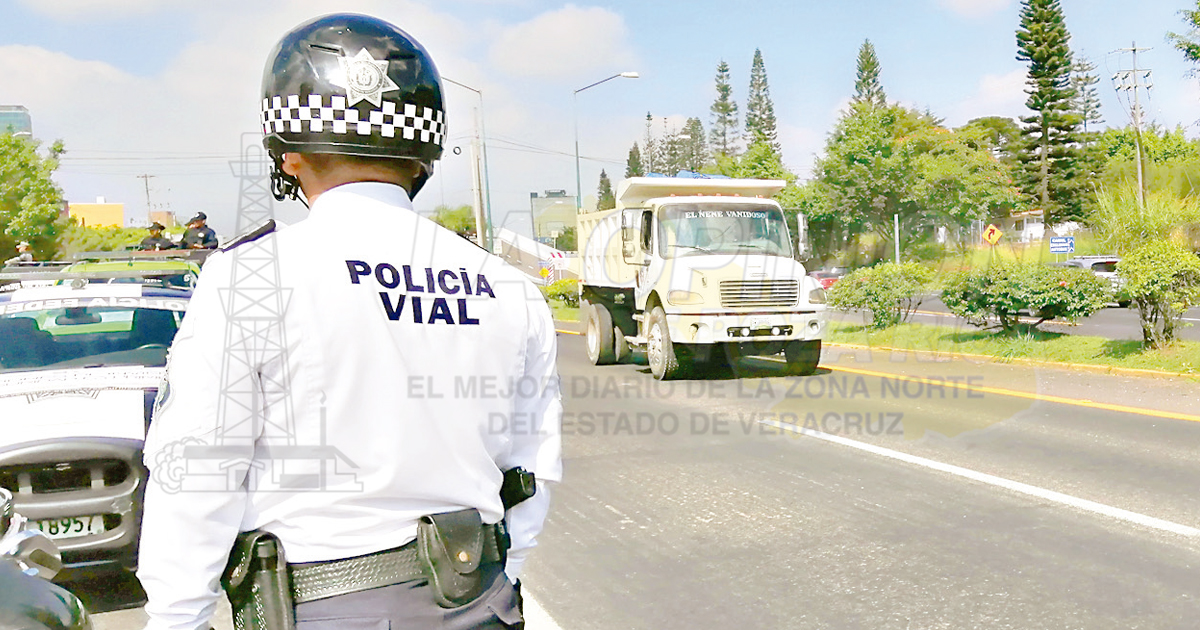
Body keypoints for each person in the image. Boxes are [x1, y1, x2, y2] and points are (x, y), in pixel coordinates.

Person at [137, 13, 561, 630]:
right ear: (424, 153)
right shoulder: (510, 288)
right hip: (482, 597)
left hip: (327, 605)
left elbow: (198, 469)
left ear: (289, 154)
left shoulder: (251, 276)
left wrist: (179, 617)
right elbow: (530, 472)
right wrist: (504, 583)